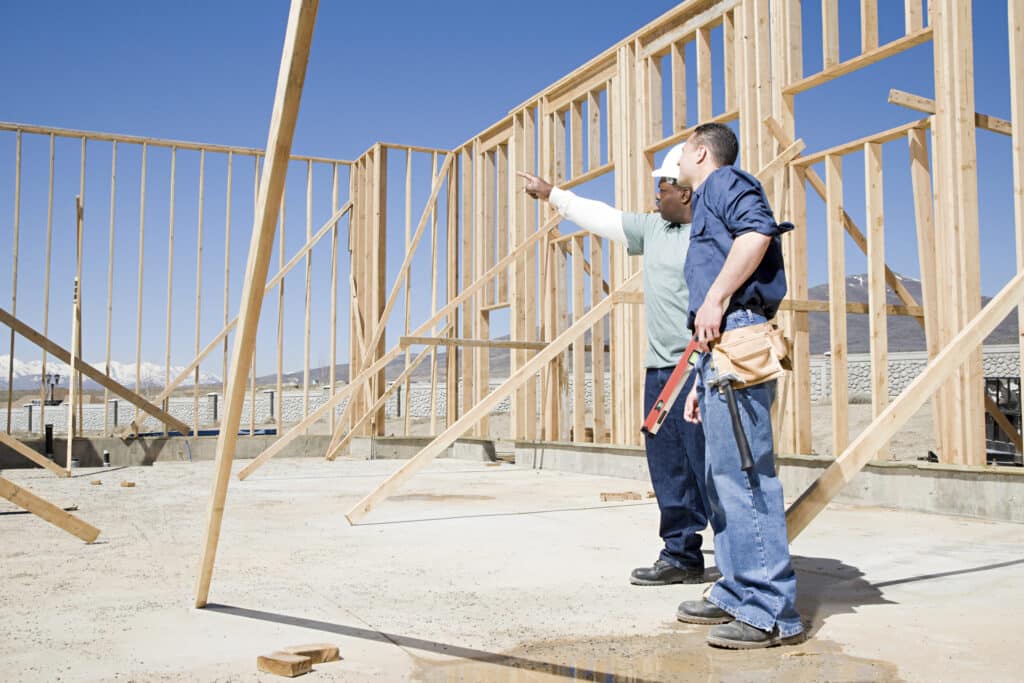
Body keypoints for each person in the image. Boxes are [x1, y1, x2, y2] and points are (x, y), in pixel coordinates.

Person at [518, 144, 709, 587]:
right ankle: (681, 554)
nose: (654, 196)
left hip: (699, 369)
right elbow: (602, 216)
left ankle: (741, 564)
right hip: (661, 370)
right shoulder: (653, 229)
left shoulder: (711, 233)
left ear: (683, 192)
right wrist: (552, 195)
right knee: (668, 467)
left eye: (661, 187)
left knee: (710, 467)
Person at [674, 122, 805, 649]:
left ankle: (769, 612)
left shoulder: (725, 183)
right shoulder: (706, 200)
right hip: (720, 351)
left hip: (739, 337)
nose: (678, 164)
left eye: (682, 154)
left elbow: (757, 233)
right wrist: (696, 382)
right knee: (720, 477)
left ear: (701, 152)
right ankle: (735, 592)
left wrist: (716, 299)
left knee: (746, 478)